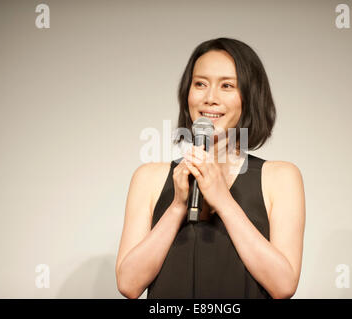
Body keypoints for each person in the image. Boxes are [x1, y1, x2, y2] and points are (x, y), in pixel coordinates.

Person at [115, 38, 306, 299]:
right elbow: (129, 283)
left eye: (227, 86)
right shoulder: (149, 177)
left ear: (249, 97)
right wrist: (178, 206)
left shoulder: (280, 177)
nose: (210, 98)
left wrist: (224, 201)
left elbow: (283, 285)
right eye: (200, 84)